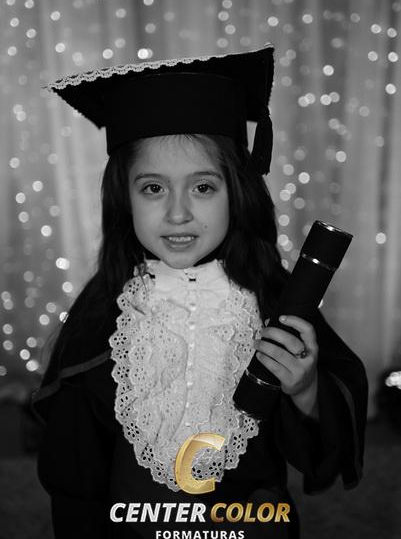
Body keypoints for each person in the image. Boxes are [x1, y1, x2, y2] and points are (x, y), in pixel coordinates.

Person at [32, 44, 368, 539]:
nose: (177, 214)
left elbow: (328, 429)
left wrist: (305, 390)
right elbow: (75, 472)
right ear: (124, 197)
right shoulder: (104, 313)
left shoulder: (273, 299)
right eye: (153, 188)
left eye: (203, 187)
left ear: (237, 191)